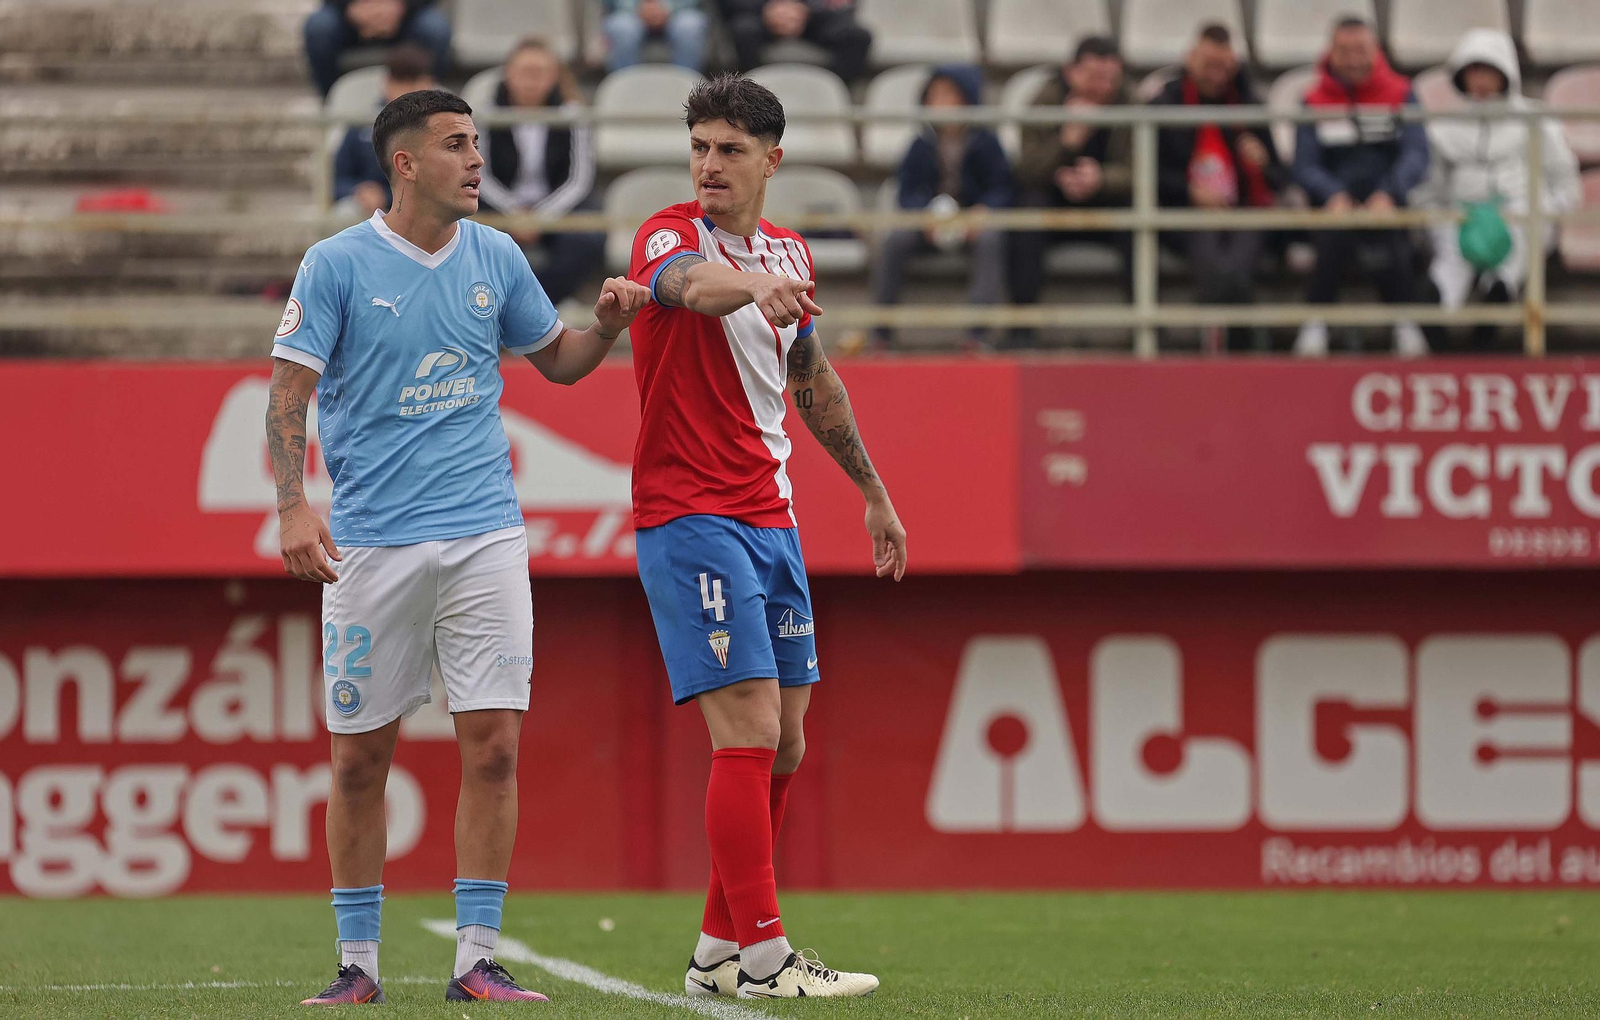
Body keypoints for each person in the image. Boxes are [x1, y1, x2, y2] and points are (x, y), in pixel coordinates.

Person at [268, 89, 649, 1006]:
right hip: (372, 545)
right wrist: (292, 505)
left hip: (486, 536)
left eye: (477, 142)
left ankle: (475, 960)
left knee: (494, 751)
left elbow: (557, 361)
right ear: (405, 163)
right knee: (359, 762)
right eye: (456, 144)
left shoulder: (497, 255)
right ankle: (358, 966)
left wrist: (605, 327)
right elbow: (287, 396)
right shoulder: (335, 264)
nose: (477, 159)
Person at [626, 73, 906, 999]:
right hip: (690, 516)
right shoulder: (668, 234)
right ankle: (766, 958)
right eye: (699, 147)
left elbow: (812, 380)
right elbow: (688, 288)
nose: (709, 164)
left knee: (785, 743)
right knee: (747, 728)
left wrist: (873, 492)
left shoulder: (792, 253)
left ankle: (716, 952)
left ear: (771, 160)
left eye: (730, 150)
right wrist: (754, 284)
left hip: (771, 519)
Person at [1417, 28, 1580, 350]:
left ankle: (1497, 299)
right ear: (1461, 76)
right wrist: (1435, 218)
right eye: (1473, 72)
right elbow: (1430, 188)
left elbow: (1563, 177)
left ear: (1506, 74)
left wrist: (1549, 210)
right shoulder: (1443, 126)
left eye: (1488, 72)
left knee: (1521, 233)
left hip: (1517, 209)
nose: (1480, 81)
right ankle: (1437, 315)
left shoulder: (1535, 118)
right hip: (1462, 210)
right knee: (1450, 258)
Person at [1293, 16, 1431, 357]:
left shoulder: (1402, 94)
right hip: (1333, 206)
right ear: (1331, 52)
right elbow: (1304, 164)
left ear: (1376, 50)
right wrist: (1332, 194)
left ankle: (1404, 321)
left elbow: (1416, 153)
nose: (1353, 59)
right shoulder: (1312, 100)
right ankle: (1316, 321)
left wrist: (1390, 193)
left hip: (1387, 202)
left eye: (1360, 50)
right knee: (1332, 235)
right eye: (1344, 51)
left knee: (1391, 237)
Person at [1151, 24, 1285, 352]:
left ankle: (1237, 351)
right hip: (1188, 213)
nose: (1216, 74)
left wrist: (1262, 162)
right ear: (1190, 59)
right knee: (1213, 264)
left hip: (1245, 212)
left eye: (1223, 67)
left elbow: (1280, 177)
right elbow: (1151, 174)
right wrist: (1190, 192)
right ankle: (1221, 349)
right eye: (1208, 65)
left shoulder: (1249, 104)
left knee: (1235, 269)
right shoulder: (1165, 104)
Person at [871, 65, 1013, 349]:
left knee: (991, 240)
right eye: (934, 96)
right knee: (895, 240)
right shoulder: (921, 144)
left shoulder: (986, 143)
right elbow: (906, 191)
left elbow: (1003, 188)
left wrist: (983, 211)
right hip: (929, 223)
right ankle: (881, 332)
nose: (940, 104)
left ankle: (978, 335)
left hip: (972, 222)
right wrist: (923, 216)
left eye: (949, 95)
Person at [1008, 36, 1131, 347]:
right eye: (1094, 77)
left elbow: (1142, 171)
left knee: (1139, 216)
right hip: (1052, 199)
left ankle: (1146, 325)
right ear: (1070, 72)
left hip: (1108, 201)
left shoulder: (1130, 101)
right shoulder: (1044, 100)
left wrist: (1102, 179)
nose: (1103, 87)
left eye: (1111, 79)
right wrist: (1066, 143)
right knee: (1026, 213)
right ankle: (1022, 327)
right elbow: (1026, 170)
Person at [476, 38, 607, 308]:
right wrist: (514, 213)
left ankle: (535, 306)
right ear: (508, 74)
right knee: (471, 235)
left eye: (540, 73)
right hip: (502, 207)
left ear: (554, 76)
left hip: (558, 208)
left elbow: (579, 179)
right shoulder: (486, 115)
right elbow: (480, 174)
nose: (531, 81)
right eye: (524, 72)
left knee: (589, 238)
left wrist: (541, 217)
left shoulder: (573, 115)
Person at [331, 44, 435, 219]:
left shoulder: (441, 128)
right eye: (399, 80)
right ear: (387, 82)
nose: (406, 90)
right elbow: (337, 179)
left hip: (423, 211)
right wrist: (359, 191)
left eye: (413, 81)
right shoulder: (362, 123)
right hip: (370, 209)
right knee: (346, 212)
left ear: (428, 84)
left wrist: (386, 196)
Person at [303, 0, 451, 98]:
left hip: (407, 13)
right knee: (319, 29)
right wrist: (352, 8)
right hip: (348, 12)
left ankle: (431, 103)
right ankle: (333, 102)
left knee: (434, 30)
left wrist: (400, 6)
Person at [723, 0, 873, 83]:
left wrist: (802, 10)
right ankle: (748, 93)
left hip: (813, 14)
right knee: (744, 31)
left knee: (857, 37)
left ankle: (836, 94)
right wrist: (769, 9)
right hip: (758, 12)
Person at [603, 0, 709, 72]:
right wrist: (639, 8)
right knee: (622, 28)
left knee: (689, 27)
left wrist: (667, 7)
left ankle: (687, 91)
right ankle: (626, 89)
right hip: (630, 12)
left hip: (680, 11)